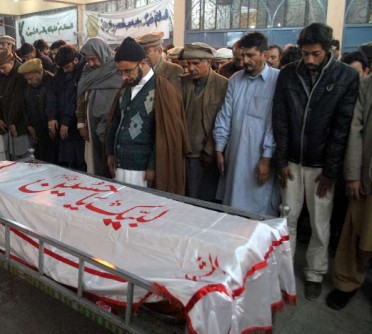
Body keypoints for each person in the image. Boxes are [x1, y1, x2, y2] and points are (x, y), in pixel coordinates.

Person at [272, 23, 359, 300]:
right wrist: (282, 159)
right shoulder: (288, 74)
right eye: (305, 53)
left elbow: (342, 127)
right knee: (288, 219)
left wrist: (331, 171)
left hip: (322, 167)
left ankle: (314, 273)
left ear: (330, 49)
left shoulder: (345, 76)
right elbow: (281, 120)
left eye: (316, 54)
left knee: (321, 223)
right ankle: (282, 272)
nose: (309, 60)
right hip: (292, 163)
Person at [105, 37, 190, 194]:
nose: (123, 76)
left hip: (143, 171)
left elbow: (164, 135)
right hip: (120, 164)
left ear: (143, 63)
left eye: (128, 71)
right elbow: (115, 121)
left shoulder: (163, 89)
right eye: (121, 72)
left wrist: (153, 166)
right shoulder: (126, 88)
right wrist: (110, 152)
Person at [213, 32, 279, 215]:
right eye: (243, 55)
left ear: (264, 55)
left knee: (257, 210)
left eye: (250, 55)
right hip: (234, 155)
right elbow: (225, 115)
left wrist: (266, 158)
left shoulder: (277, 80)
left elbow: (275, 124)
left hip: (259, 157)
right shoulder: (235, 79)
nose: (245, 60)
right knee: (232, 207)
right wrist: (219, 148)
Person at [326, 75, 372, 310]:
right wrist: (353, 174)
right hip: (367, 177)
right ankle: (347, 282)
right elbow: (355, 129)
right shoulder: (367, 84)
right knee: (356, 234)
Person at [182, 43, 228, 201]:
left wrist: (210, 150)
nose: (191, 68)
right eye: (188, 64)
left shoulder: (223, 85)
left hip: (207, 155)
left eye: (196, 63)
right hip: (184, 152)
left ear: (209, 62)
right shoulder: (183, 83)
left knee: (204, 199)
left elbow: (223, 120)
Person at [76, 37, 122, 177]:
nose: (91, 63)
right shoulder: (88, 70)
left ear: (102, 53)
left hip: (114, 122)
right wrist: (81, 123)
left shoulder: (118, 67)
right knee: (96, 162)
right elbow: (81, 96)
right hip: (91, 123)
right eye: (88, 59)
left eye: (93, 59)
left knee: (112, 162)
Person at [46, 45, 86, 171]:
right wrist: (51, 117)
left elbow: (76, 99)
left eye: (67, 67)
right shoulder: (61, 72)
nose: (65, 71)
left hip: (77, 126)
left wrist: (66, 122)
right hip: (63, 126)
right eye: (62, 68)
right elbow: (52, 93)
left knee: (80, 164)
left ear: (75, 60)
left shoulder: (85, 71)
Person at [18, 58, 57, 163]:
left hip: (50, 132)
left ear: (40, 72)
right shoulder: (28, 86)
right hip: (36, 131)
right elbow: (25, 105)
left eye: (30, 78)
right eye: (27, 79)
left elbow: (53, 106)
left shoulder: (51, 81)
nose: (28, 82)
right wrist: (28, 125)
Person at [0, 49, 29, 160]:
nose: (2, 71)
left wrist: (12, 122)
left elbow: (17, 101)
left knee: (23, 157)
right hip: (9, 121)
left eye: (3, 68)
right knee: (14, 156)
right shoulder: (4, 75)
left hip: (20, 123)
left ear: (11, 62)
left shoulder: (20, 73)